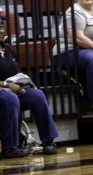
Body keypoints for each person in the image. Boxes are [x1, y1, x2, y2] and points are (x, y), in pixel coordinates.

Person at [0, 12, 59, 157]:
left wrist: (22, 84)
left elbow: (17, 74)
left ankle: (48, 141)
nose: (1, 30)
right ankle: (10, 148)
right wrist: (7, 85)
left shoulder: (8, 49)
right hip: (5, 93)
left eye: (2, 26)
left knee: (37, 95)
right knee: (10, 99)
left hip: (10, 91)